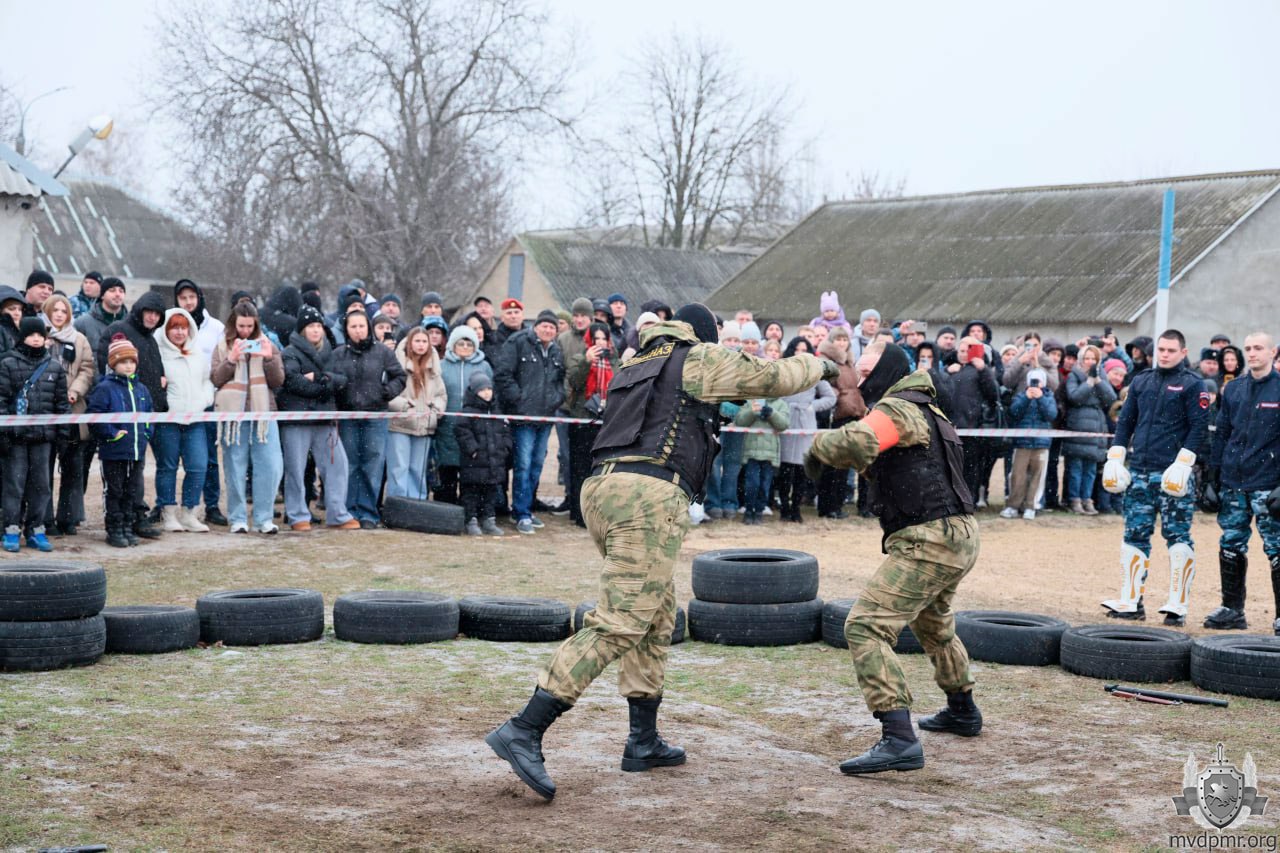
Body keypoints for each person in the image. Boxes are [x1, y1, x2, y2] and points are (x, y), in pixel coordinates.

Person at [485, 303, 834, 800]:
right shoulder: (695, 357)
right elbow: (773, 377)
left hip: (603, 489)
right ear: (704, 334)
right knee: (622, 620)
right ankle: (525, 728)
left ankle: (643, 739)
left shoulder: (637, 362)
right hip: (646, 495)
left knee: (656, 614)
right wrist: (822, 363)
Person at [801, 342, 979, 774]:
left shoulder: (898, 407)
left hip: (929, 539)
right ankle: (962, 709)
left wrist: (819, 447)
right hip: (959, 535)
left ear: (887, 371)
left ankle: (898, 737)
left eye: (865, 371)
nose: (858, 378)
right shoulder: (930, 410)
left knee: (865, 626)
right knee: (934, 624)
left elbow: (860, 439)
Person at [1101, 330, 1209, 625]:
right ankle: (1131, 602)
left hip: (1173, 474)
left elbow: (1199, 427)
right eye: (1161, 349)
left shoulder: (1193, 384)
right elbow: (1126, 421)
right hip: (1140, 472)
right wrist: (1116, 455)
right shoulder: (1141, 381)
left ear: (1183, 352)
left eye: (1171, 350)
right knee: (1134, 535)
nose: (1165, 354)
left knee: (1178, 537)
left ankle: (1177, 606)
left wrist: (1184, 462)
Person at [1203, 332, 1280, 634]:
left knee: (1277, 547)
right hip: (1233, 483)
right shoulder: (1233, 389)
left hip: (1268, 483)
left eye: (1258, 348)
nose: (1252, 353)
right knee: (1230, 543)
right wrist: (1211, 479)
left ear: (1272, 352)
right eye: (1248, 348)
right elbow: (1221, 434)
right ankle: (1232, 610)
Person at [277, 306, 360, 531]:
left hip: (325, 419)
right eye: (311, 326)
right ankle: (297, 515)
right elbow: (293, 382)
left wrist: (320, 379)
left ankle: (338, 514)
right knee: (295, 469)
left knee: (337, 465)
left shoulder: (331, 352)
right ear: (302, 329)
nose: (316, 330)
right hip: (297, 419)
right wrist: (325, 388)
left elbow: (342, 380)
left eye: (318, 326)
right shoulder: (290, 352)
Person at [211, 303, 286, 535]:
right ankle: (238, 518)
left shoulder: (267, 344)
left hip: (263, 412)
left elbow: (278, 381)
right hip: (234, 415)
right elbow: (216, 379)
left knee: (270, 465)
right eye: (241, 326)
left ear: (256, 325)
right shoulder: (222, 346)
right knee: (235, 466)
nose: (245, 331)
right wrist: (231, 359)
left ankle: (264, 518)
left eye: (249, 326)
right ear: (233, 324)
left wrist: (268, 358)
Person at [331, 309, 406, 528]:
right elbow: (330, 380)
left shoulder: (382, 352)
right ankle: (349, 511)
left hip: (376, 416)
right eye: (353, 326)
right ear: (346, 330)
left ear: (368, 328)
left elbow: (400, 377)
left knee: (372, 464)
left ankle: (368, 513)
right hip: (348, 416)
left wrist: (386, 392)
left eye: (361, 326)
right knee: (350, 464)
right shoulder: (338, 354)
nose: (358, 330)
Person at [0, 317, 69, 552]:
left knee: (41, 485)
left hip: (43, 438)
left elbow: (62, 405)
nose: (36, 339)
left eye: (40, 335)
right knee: (14, 485)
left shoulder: (54, 367)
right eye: (31, 334)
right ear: (22, 337)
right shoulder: (7, 364)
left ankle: (36, 529)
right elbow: (1, 400)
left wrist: (63, 435)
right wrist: (4, 433)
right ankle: (11, 529)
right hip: (16, 438)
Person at [495, 310, 565, 534]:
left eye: (552, 327)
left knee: (537, 464)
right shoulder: (518, 342)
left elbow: (560, 380)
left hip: (545, 417)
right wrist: (518, 399)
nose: (548, 330)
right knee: (523, 464)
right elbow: (503, 374)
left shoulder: (555, 350)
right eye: (544, 326)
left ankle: (525, 507)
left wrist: (556, 398)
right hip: (523, 417)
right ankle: (521, 513)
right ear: (536, 327)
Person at [86, 334, 153, 548]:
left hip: (136, 451)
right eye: (123, 361)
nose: (128, 366)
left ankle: (127, 525)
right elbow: (94, 416)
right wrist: (112, 433)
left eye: (132, 361)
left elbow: (149, 415)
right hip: (113, 451)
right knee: (114, 490)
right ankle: (114, 527)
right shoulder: (105, 388)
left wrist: (146, 433)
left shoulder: (142, 390)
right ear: (113, 363)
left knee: (131, 490)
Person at [154, 308, 214, 532]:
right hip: (168, 419)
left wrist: (205, 399)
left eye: (183, 327)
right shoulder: (158, 353)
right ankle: (168, 513)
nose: (179, 332)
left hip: (195, 419)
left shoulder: (197, 353)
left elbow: (207, 380)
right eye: (174, 328)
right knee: (167, 467)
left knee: (198, 466)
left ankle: (189, 512)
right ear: (166, 330)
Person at [175, 278, 229, 526]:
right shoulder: (171, 326)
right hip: (177, 399)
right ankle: (167, 506)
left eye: (191, 297)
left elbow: (222, 362)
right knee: (172, 456)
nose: (188, 302)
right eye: (183, 298)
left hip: (206, 399)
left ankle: (212, 504)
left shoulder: (215, 327)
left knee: (208, 455)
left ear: (199, 298)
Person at [42, 294, 94, 536]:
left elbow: (87, 369)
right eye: (56, 310)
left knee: (72, 467)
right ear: (48, 312)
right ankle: (44, 519)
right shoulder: (40, 336)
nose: (60, 314)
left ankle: (68, 517)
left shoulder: (79, 339)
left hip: (73, 410)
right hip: (45, 410)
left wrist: (75, 390)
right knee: (44, 468)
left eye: (64, 311)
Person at [777, 337, 835, 522]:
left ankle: (796, 507)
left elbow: (830, 397)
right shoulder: (783, 370)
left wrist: (812, 407)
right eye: (797, 349)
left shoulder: (815, 373)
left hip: (805, 423)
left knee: (801, 470)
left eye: (804, 349)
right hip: (785, 421)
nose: (801, 353)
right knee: (785, 469)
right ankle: (784, 507)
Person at [563, 321, 615, 526]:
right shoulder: (579, 358)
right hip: (583, 420)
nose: (600, 342)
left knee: (603, 470)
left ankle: (600, 511)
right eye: (596, 339)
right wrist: (587, 362)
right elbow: (574, 382)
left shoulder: (615, 361)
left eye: (603, 338)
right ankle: (579, 512)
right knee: (580, 468)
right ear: (589, 341)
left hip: (607, 422)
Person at [386, 327, 446, 500]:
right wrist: (405, 406)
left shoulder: (434, 368)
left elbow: (441, 395)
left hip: (424, 426)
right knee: (399, 468)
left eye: (424, 341)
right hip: (400, 425)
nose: (421, 345)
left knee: (418, 470)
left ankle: (416, 505)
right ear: (410, 343)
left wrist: (436, 410)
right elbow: (386, 393)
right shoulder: (395, 364)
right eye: (417, 341)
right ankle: (398, 505)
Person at [436, 325, 492, 505]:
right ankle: (447, 507)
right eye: (461, 343)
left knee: (471, 473)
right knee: (447, 471)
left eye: (470, 344)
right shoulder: (441, 366)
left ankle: (469, 509)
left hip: (474, 430)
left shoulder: (484, 366)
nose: (465, 347)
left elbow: (491, 394)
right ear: (453, 344)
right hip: (447, 427)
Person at [817, 326, 866, 518]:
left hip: (852, 413)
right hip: (837, 415)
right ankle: (829, 506)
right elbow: (824, 387)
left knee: (843, 463)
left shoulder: (849, 362)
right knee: (832, 464)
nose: (842, 343)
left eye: (845, 339)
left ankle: (836, 504)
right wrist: (838, 397)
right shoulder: (826, 361)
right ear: (831, 341)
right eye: (838, 339)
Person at [1062, 345, 1115, 515]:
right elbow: (1074, 397)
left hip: (1097, 425)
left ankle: (1087, 499)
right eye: (1087, 358)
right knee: (1076, 468)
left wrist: (1098, 381)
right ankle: (1074, 499)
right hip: (1078, 423)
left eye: (1094, 359)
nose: (1090, 362)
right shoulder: (1074, 375)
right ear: (1081, 360)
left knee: (1091, 469)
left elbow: (1111, 398)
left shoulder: (1102, 375)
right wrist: (1088, 383)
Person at [456, 372, 510, 537]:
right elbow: (462, 431)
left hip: (494, 462)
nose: (486, 393)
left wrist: (505, 448)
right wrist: (473, 449)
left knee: (491, 493)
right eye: (482, 390)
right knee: (470, 493)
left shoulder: (496, 411)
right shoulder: (467, 411)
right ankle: (470, 520)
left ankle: (489, 520)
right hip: (474, 463)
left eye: (489, 389)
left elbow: (505, 432)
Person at [1000, 368, 1057, 520]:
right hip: (1022, 443)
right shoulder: (1021, 396)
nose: (1036, 384)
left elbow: (1051, 414)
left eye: (1039, 381)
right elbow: (1014, 412)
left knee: (1037, 476)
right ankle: (1013, 505)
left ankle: (1031, 506)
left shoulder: (1049, 397)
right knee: (1017, 475)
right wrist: (1026, 398)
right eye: (1033, 381)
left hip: (1041, 443)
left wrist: (1040, 398)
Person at [735, 394, 790, 524]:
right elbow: (740, 421)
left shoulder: (781, 404)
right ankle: (749, 511)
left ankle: (759, 511)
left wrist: (772, 414)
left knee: (764, 486)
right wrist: (752, 412)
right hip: (751, 452)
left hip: (770, 454)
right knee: (751, 484)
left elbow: (784, 424)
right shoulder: (750, 401)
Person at [74, 275, 127, 352]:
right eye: (112, 290)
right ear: (102, 295)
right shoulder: (83, 323)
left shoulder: (132, 324)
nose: (118, 294)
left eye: (121, 291)